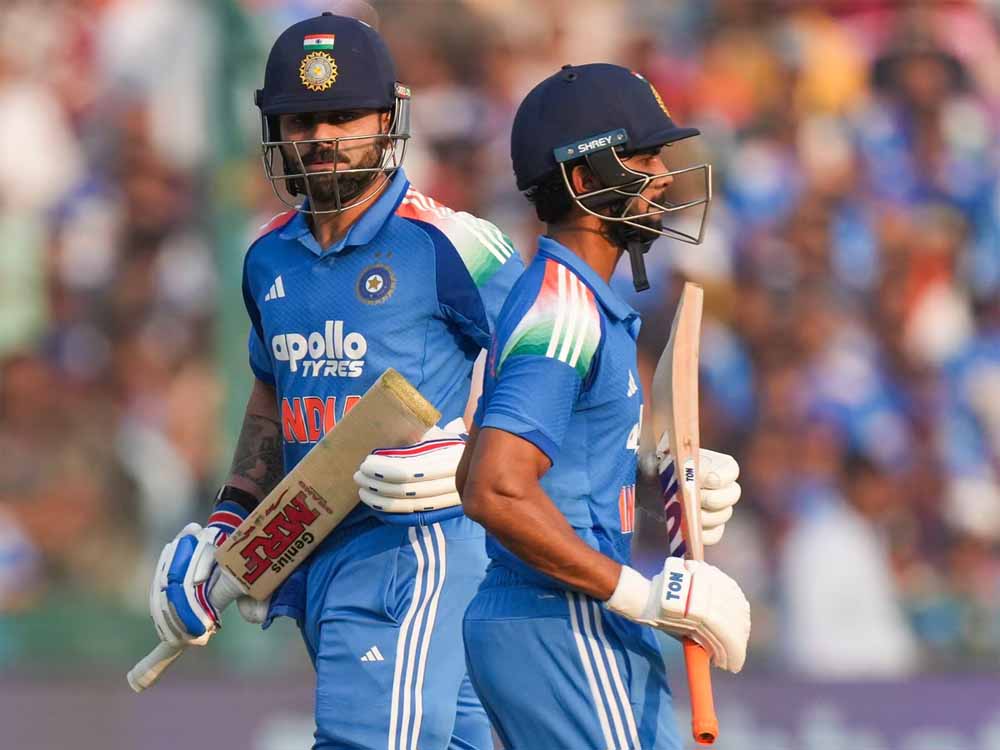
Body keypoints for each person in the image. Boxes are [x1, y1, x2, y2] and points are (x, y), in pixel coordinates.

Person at [145, 13, 522, 750]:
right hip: (317, 552)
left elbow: (556, 357)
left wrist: (473, 452)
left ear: (387, 119)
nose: (322, 138)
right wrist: (230, 520)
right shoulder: (267, 258)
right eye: (302, 120)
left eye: (344, 116)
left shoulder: (449, 241)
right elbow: (271, 395)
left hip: (415, 548)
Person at [457, 63, 751, 750]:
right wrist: (643, 595)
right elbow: (494, 486)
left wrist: (663, 483)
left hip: (560, 614)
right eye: (643, 159)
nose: (665, 177)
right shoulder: (564, 309)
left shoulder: (580, 301)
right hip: (565, 615)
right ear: (585, 181)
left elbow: (517, 471)